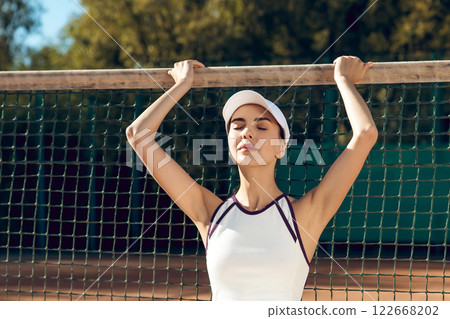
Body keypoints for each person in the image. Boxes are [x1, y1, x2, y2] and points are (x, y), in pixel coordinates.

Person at [125, 57, 378, 300]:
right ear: (230, 144)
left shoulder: (305, 214)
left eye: (261, 126)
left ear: (281, 147)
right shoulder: (209, 213)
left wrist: (343, 79)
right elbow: (138, 135)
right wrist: (183, 84)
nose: (247, 133)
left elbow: (365, 133)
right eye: (238, 126)